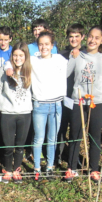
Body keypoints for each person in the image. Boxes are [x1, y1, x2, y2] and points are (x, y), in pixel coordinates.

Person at [65, 26, 102, 183]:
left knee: (95, 136)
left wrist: (101, 86)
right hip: (78, 100)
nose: (92, 40)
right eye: (91, 36)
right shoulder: (77, 54)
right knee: (75, 135)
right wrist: (73, 56)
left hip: (96, 102)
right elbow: (66, 73)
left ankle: (94, 169)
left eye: (97, 38)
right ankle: (71, 168)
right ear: (86, 37)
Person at [0, 42, 32, 183]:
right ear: (11, 56)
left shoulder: (30, 70)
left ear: (26, 56)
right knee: (8, 145)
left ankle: (17, 168)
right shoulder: (4, 70)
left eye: (21, 55)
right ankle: (7, 168)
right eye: (15, 55)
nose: (18, 58)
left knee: (19, 146)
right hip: (7, 113)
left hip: (25, 113)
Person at [31, 31, 68, 179]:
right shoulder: (33, 60)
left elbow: (72, 66)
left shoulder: (60, 59)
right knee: (39, 138)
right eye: (40, 44)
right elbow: (14, 60)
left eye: (47, 44)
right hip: (39, 105)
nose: (43, 47)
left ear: (52, 45)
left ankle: (50, 166)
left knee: (52, 138)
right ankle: (37, 169)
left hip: (56, 105)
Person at [56, 23, 86, 165]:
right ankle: (59, 156)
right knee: (61, 128)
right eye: (71, 36)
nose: (73, 39)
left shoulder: (86, 54)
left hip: (79, 98)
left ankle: (74, 159)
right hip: (63, 96)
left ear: (82, 37)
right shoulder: (61, 54)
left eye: (76, 36)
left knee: (76, 131)